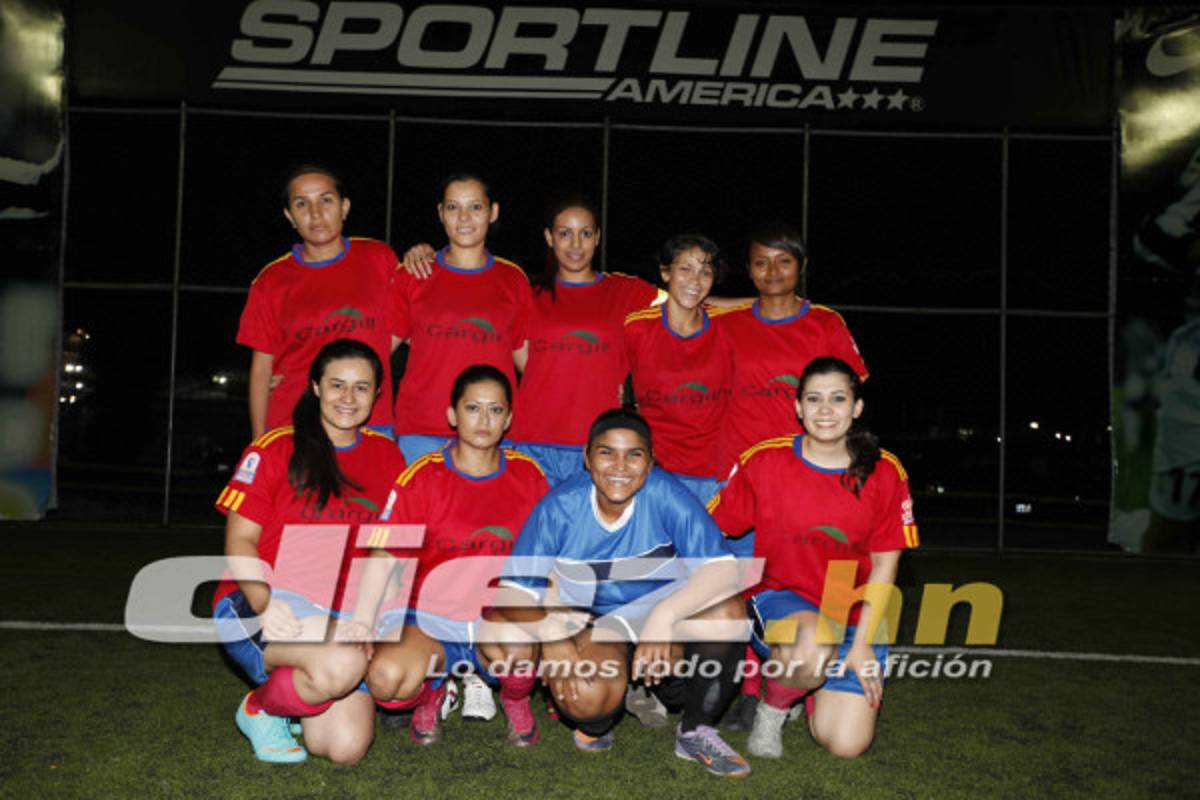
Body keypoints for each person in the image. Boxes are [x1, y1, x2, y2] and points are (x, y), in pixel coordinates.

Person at [480, 408, 753, 778]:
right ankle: (610, 705)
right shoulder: (561, 506)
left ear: (651, 461)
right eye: (607, 452)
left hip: (661, 625)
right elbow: (512, 593)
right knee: (587, 700)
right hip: (593, 625)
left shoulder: (666, 493)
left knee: (729, 615)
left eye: (634, 454)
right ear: (588, 458)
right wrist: (552, 636)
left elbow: (722, 570)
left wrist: (664, 617)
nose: (619, 466)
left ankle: (694, 730)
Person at [708, 357, 919, 759]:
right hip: (783, 597)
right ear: (798, 408)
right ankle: (773, 709)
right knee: (812, 642)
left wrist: (859, 649)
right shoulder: (765, 460)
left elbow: (885, 565)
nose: (825, 410)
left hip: (850, 611)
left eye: (838, 398)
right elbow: (711, 527)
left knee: (845, 744)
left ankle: (807, 681)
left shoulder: (885, 472)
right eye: (814, 399)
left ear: (856, 408)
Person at [213, 339, 407, 764]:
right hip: (258, 603)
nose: (348, 398)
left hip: (339, 616)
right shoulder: (274, 449)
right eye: (337, 385)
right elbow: (240, 541)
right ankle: (260, 707)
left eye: (361, 387)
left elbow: (389, 552)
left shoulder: (388, 456)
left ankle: (299, 688)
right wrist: (265, 603)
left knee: (345, 748)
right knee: (340, 664)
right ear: (316, 386)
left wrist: (373, 618)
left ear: (377, 395)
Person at [401, 194, 663, 485]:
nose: (575, 244)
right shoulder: (527, 292)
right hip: (529, 442)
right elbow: (497, 345)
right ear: (549, 238)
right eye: (564, 233)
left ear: (597, 237)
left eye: (585, 233)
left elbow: (685, 305)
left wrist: (721, 306)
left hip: (597, 444)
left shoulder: (626, 291)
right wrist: (424, 251)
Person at [351, 364, 550, 746]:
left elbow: (549, 559)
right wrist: (362, 621)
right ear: (452, 415)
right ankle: (433, 688)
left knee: (522, 649)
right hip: (431, 620)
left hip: (497, 617)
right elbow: (384, 553)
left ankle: (514, 698)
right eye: (472, 408)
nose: (484, 420)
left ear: (508, 418)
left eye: (495, 410)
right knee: (387, 680)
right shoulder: (423, 476)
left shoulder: (529, 476)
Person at [236, 165, 401, 439]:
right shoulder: (272, 280)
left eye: (326, 200)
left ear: (344, 207)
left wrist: (375, 358)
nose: (316, 213)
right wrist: (258, 443)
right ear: (290, 216)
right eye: (302, 204)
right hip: (294, 423)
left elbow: (409, 321)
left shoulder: (379, 258)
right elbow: (261, 369)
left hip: (371, 420)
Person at [390, 173, 532, 466]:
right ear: (441, 213)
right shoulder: (414, 274)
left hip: (493, 433)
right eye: (453, 207)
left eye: (476, 207)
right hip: (422, 431)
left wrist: (601, 383)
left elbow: (531, 363)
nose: (464, 218)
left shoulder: (512, 279)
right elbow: (371, 351)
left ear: (493, 212)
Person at [714, 222, 868, 478]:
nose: (772, 271)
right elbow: (684, 299)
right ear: (749, 270)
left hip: (807, 463)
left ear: (802, 265)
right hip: (738, 465)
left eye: (784, 261)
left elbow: (850, 393)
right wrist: (751, 302)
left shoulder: (825, 323)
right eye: (761, 263)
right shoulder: (726, 324)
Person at [624, 233, 733, 503]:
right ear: (665, 272)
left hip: (715, 476)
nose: (695, 281)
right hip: (656, 473)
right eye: (685, 269)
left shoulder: (729, 327)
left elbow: (767, 309)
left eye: (705, 272)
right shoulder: (636, 327)